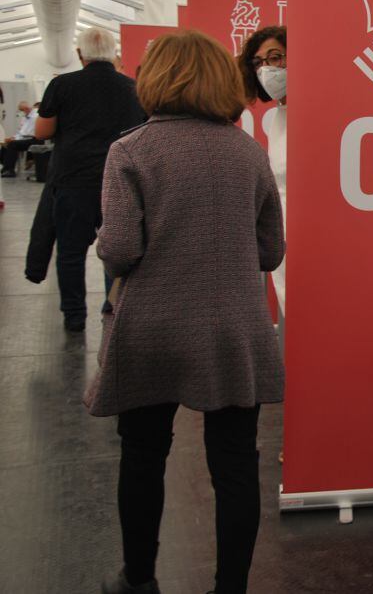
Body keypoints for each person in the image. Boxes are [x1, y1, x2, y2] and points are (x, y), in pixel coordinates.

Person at [87, 30, 285, 594]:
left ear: (155, 80)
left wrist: (107, 244)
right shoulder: (249, 153)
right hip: (233, 329)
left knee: (143, 454)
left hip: (151, 326)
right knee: (235, 464)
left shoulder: (131, 151)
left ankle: (139, 579)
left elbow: (120, 249)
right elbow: (270, 252)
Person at [33, 27, 145, 331]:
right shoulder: (133, 88)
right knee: (117, 251)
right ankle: (114, 310)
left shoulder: (62, 84)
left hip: (73, 180)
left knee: (70, 252)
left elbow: (42, 132)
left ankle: (74, 316)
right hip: (121, 181)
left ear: (80, 54)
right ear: (114, 54)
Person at [238, 26, 287, 313]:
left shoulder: (313, 113)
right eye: (258, 62)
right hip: (282, 236)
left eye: (276, 57)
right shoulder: (279, 116)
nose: (266, 69)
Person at [1, 100, 40, 177]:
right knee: (5, 144)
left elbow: (28, 133)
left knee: (13, 144)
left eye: (21, 110)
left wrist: (15, 139)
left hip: (34, 139)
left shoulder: (35, 116)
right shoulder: (25, 117)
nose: (21, 112)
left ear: (26, 109)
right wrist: (14, 137)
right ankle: (5, 167)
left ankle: (9, 170)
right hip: (25, 138)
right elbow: (21, 131)